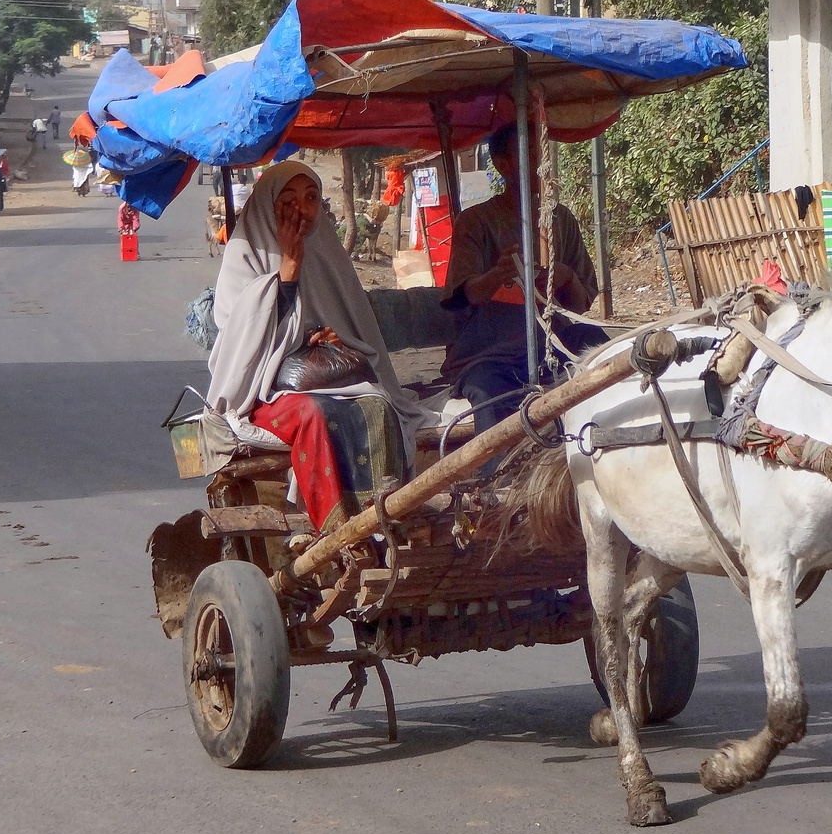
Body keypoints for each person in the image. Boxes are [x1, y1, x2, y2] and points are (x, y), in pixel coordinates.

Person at [205, 162, 423, 533]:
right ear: (267, 205)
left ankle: (384, 516)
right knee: (313, 415)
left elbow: (355, 326)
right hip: (263, 390)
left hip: (327, 378)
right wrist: (288, 268)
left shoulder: (326, 249)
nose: (300, 210)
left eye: (310, 199)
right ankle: (335, 530)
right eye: (287, 201)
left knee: (379, 405)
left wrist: (333, 340)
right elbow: (241, 342)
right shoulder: (244, 251)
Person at [440, 123, 607, 469]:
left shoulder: (560, 219)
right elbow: (467, 294)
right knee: (489, 395)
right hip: (492, 351)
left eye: (545, 155)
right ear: (503, 164)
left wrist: (566, 276)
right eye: (531, 155)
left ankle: (603, 460)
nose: (542, 164)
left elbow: (582, 303)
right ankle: (497, 487)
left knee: (605, 360)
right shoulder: (477, 222)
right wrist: (496, 276)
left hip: (555, 339)